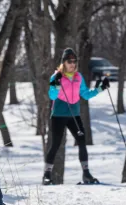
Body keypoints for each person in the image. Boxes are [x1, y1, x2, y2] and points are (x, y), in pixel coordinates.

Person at [43, 48, 109, 185]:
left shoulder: (78, 77)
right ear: (64, 63)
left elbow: (85, 94)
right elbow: (52, 96)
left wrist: (100, 88)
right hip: (59, 114)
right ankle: (47, 175)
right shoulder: (56, 76)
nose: (72, 64)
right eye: (69, 61)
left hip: (74, 114)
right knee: (55, 144)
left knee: (82, 141)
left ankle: (86, 174)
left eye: (74, 61)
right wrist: (56, 85)